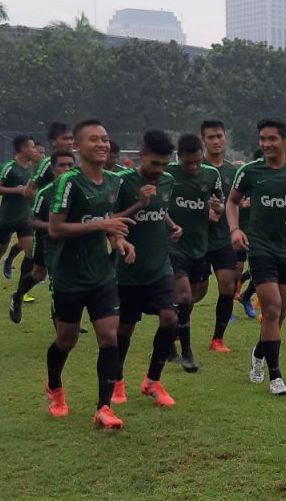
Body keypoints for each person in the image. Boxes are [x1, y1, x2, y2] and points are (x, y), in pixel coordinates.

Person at [44, 119, 134, 428]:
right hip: (68, 276)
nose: (102, 144)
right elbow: (55, 230)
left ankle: (104, 408)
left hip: (101, 275)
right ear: (77, 147)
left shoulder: (113, 182)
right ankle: (55, 388)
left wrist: (119, 240)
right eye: (94, 139)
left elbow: (110, 224)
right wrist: (102, 226)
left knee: (109, 336)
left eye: (105, 139)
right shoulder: (68, 181)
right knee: (66, 340)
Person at [226, 118, 286, 396]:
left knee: (277, 315)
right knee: (271, 308)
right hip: (260, 249)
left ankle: (258, 352)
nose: (266, 144)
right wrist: (234, 229)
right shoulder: (249, 172)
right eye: (262, 139)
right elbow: (232, 202)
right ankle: (275, 376)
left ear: (285, 141)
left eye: (272, 139)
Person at [112, 130, 182, 408]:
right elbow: (107, 219)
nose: (159, 170)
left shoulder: (168, 181)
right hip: (128, 270)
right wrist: (138, 204)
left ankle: (153, 381)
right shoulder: (120, 182)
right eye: (154, 164)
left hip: (159, 267)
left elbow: (161, 208)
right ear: (140, 156)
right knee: (124, 331)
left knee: (170, 320)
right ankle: (116, 380)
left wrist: (172, 225)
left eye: (164, 165)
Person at [166, 133, 224, 371]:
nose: (192, 167)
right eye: (187, 162)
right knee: (185, 296)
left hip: (200, 246)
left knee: (194, 297)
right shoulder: (168, 174)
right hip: (173, 245)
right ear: (179, 157)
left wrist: (216, 208)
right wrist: (170, 225)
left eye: (197, 162)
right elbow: (157, 205)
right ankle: (187, 353)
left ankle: (168, 336)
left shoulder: (211, 174)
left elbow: (219, 206)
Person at [9, 149, 76, 324]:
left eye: (70, 165)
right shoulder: (45, 193)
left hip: (71, 244)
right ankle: (18, 296)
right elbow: (33, 222)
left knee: (58, 279)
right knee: (42, 276)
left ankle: (67, 320)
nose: (67, 168)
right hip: (47, 242)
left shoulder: (80, 189)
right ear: (53, 169)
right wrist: (55, 227)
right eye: (62, 165)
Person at [200, 119, 238, 353]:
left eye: (219, 136)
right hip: (197, 241)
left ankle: (217, 339)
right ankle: (175, 327)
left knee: (227, 285)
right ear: (203, 139)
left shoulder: (233, 172)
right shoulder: (194, 167)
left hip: (224, 239)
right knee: (195, 292)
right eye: (210, 137)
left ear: (225, 137)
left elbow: (238, 204)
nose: (215, 141)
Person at [0, 135, 36, 299]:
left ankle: (21, 291)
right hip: (7, 218)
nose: (34, 150)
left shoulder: (32, 168)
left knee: (30, 252)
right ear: (23, 148)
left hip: (25, 218)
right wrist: (17, 190)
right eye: (32, 147)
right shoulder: (9, 167)